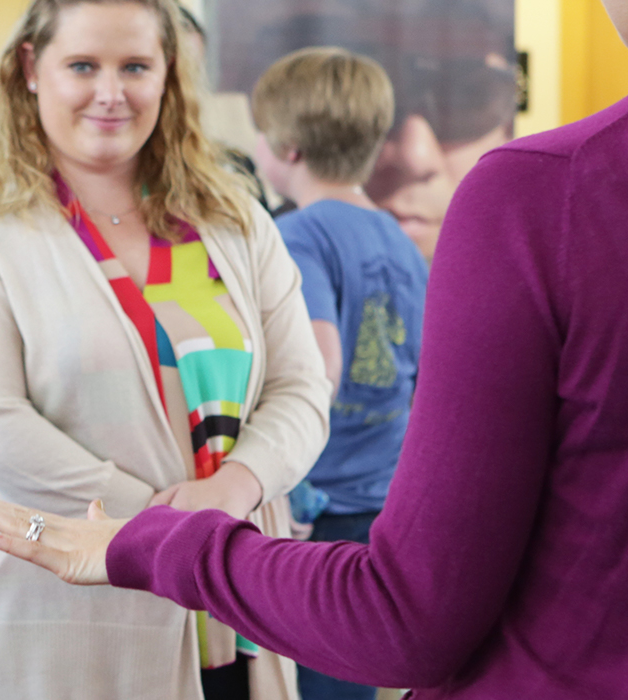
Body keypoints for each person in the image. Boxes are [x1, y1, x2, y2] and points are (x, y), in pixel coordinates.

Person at [0, 0, 628, 697]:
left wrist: (171, 531)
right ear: (33, 72)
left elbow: (402, 609)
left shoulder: (548, 196)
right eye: (84, 66)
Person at [0, 0, 332, 697]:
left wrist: (232, 491)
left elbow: (302, 388)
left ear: (168, 74)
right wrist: (163, 524)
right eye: (83, 65)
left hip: (233, 597)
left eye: (135, 66)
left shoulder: (235, 222)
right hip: (55, 616)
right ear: (30, 68)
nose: (111, 93)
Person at [250, 47, 427, 700]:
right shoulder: (401, 240)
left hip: (318, 507)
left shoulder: (296, 234)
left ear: (287, 148)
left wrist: (286, 484)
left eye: (260, 135)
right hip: (385, 502)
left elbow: (320, 366)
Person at [210, 0, 518, 262]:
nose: (416, 156)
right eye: (349, 104)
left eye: (470, 96)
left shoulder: (305, 238)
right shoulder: (379, 243)